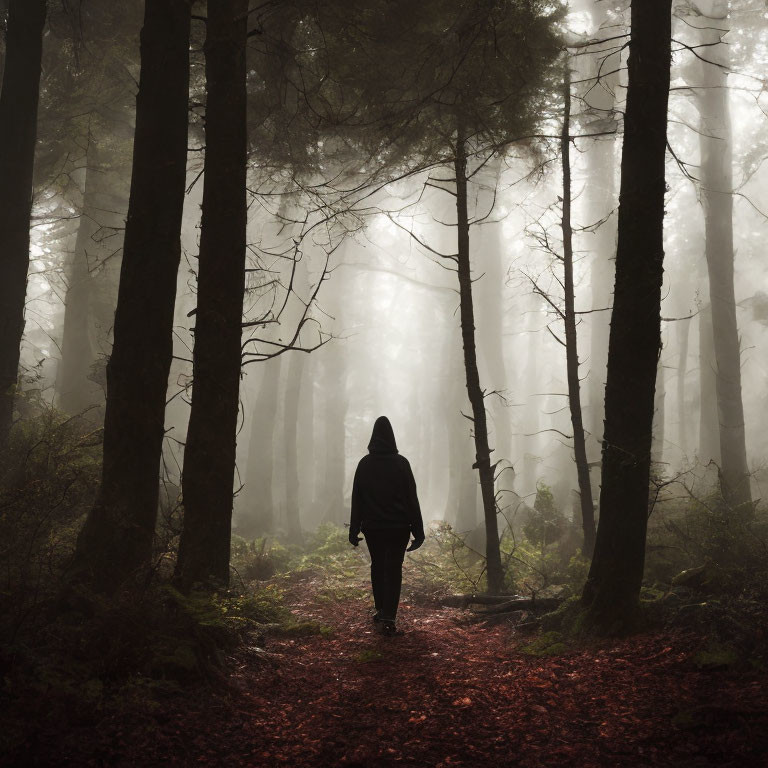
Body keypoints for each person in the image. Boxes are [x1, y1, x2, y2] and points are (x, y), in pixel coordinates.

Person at [348, 415, 424, 636]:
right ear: (392, 437)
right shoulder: (401, 464)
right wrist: (418, 531)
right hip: (399, 528)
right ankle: (388, 616)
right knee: (393, 569)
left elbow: (357, 499)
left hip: (373, 528)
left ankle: (381, 609)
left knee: (377, 567)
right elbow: (412, 499)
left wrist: (354, 529)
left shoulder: (364, 464)